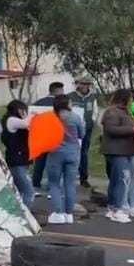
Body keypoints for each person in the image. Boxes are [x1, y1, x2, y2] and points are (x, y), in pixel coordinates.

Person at [100, 89, 134, 224]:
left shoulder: (125, 112)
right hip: (116, 151)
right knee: (123, 179)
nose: (132, 101)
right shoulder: (112, 112)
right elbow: (111, 129)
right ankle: (117, 209)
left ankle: (112, 207)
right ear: (124, 99)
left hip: (125, 150)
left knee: (116, 180)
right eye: (131, 98)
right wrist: (132, 129)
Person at [45, 95, 85, 225]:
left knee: (54, 183)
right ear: (67, 104)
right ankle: (69, 214)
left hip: (55, 153)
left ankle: (58, 213)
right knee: (70, 184)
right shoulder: (75, 117)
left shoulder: (50, 117)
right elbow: (82, 134)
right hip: (73, 153)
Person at [32, 81, 66, 190]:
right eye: (62, 90)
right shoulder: (60, 104)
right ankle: (52, 185)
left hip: (40, 137)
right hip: (54, 138)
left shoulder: (38, 103)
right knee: (54, 162)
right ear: (58, 91)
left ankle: (36, 183)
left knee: (39, 162)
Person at [1, 100, 34, 209]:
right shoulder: (11, 120)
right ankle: (25, 216)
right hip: (16, 160)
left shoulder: (16, 121)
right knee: (28, 191)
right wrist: (32, 114)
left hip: (21, 159)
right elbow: (26, 123)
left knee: (19, 191)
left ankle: (18, 214)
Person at [68, 78, 98, 187]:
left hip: (87, 128)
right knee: (72, 152)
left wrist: (93, 121)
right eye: (82, 84)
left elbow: (95, 112)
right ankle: (70, 176)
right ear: (78, 84)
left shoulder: (92, 97)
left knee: (84, 153)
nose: (85, 86)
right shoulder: (70, 96)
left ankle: (83, 178)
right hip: (72, 129)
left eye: (87, 84)